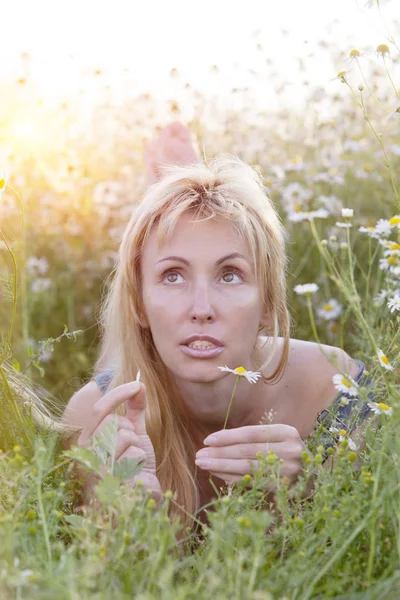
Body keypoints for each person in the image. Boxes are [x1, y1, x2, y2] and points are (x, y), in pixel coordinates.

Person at [62, 122, 373, 531]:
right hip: (134, 368)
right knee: (125, 376)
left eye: (230, 274)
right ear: (138, 303)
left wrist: (312, 485)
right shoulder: (92, 420)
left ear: (268, 304)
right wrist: (132, 527)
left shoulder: (334, 387)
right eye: (173, 275)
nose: (202, 309)